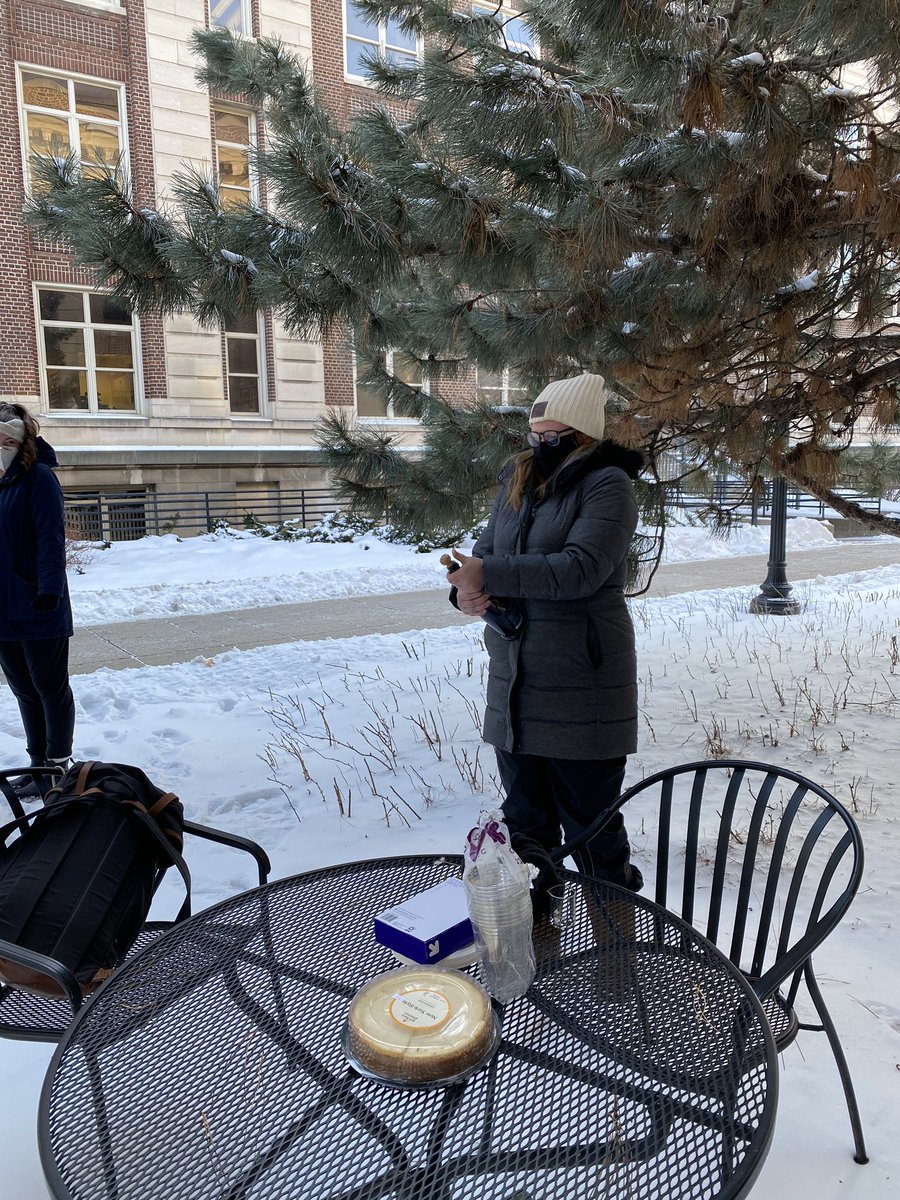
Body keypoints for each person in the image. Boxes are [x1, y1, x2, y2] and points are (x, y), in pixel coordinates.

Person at [447, 372, 643, 906]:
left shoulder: (608, 484)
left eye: (552, 438)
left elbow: (580, 570)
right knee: (525, 824)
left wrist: (490, 572)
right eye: (534, 434)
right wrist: (467, 592)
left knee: (591, 826)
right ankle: (532, 930)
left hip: (582, 683)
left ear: (581, 435)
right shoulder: (518, 480)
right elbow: (486, 554)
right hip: (515, 681)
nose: (539, 445)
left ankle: (617, 934)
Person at [0, 402, 75, 794]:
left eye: (5, 437)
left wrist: (47, 590)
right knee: (23, 690)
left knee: (50, 687)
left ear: (20, 438)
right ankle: (36, 766)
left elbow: (51, 539)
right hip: (3, 611)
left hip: (37, 604)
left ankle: (57, 769)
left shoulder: (39, 477)